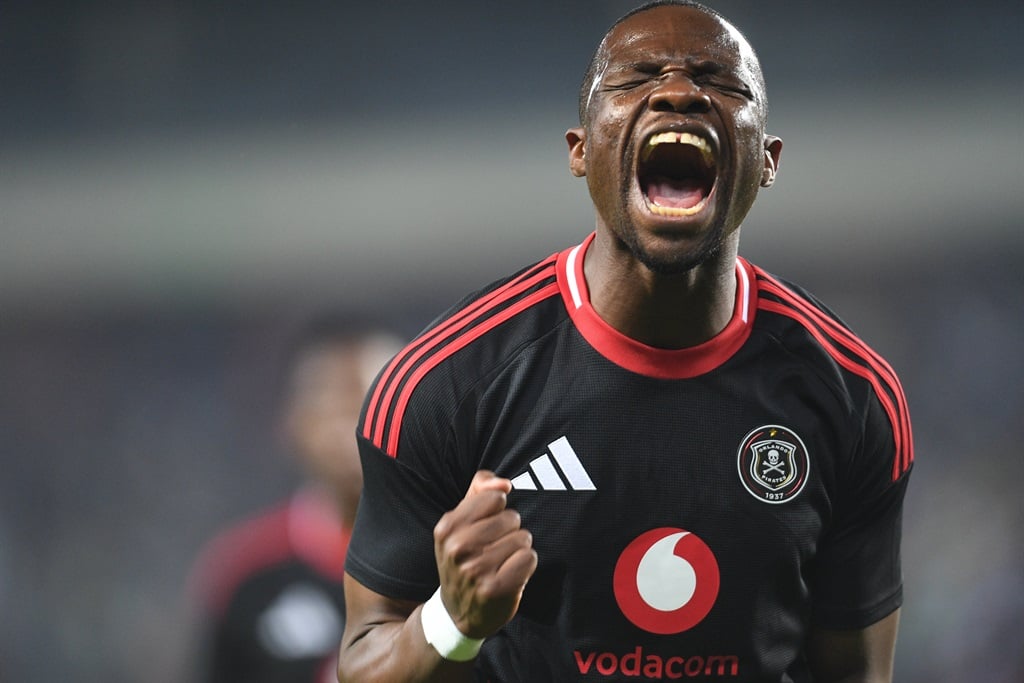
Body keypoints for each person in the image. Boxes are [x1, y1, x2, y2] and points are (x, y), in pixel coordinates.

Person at [336, 2, 914, 681]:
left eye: (721, 83)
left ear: (767, 161)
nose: (678, 91)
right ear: (581, 150)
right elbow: (363, 662)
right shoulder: (442, 384)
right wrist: (451, 621)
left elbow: (855, 672)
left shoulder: (855, 396)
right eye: (636, 78)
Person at [189, 314, 403, 683]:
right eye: (334, 405)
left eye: (373, 403)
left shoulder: (461, 557)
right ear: (293, 424)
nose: (353, 428)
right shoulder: (245, 571)